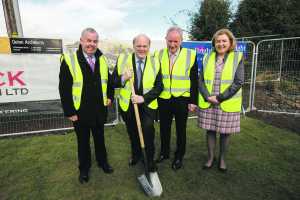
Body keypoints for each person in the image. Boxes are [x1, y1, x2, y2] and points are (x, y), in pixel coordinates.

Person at [59, 28, 114, 184]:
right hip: (79, 111)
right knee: (83, 142)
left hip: (99, 110)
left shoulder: (102, 59)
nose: (91, 44)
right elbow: (64, 88)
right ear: (81, 41)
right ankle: (84, 169)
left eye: (95, 41)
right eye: (88, 40)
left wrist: (110, 96)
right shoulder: (69, 60)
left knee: (100, 139)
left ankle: (103, 163)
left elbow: (108, 81)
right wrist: (70, 111)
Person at [112, 34, 162, 172]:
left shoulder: (155, 62)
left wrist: (144, 98)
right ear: (133, 46)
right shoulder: (123, 60)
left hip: (147, 105)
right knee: (133, 132)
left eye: (144, 46)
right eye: (138, 46)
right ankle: (136, 156)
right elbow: (113, 81)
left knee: (148, 131)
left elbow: (159, 87)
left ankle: (150, 160)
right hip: (128, 105)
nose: (141, 49)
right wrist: (123, 78)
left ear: (149, 47)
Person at [198, 28, 244, 172]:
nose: (221, 44)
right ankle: (211, 158)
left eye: (224, 41)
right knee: (210, 131)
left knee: (225, 133)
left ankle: (222, 159)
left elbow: (239, 81)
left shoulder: (237, 57)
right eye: (218, 41)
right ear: (214, 43)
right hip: (209, 102)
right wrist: (207, 96)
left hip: (226, 102)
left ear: (230, 42)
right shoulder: (207, 57)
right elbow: (200, 80)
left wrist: (219, 98)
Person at [155, 26, 198, 170]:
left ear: (181, 40)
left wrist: (193, 101)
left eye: (176, 41)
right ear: (165, 39)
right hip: (164, 98)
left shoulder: (190, 55)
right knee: (164, 128)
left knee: (181, 129)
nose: (172, 44)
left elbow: (194, 79)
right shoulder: (158, 54)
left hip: (182, 99)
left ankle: (179, 156)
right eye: (170, 41)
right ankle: (164, 153)